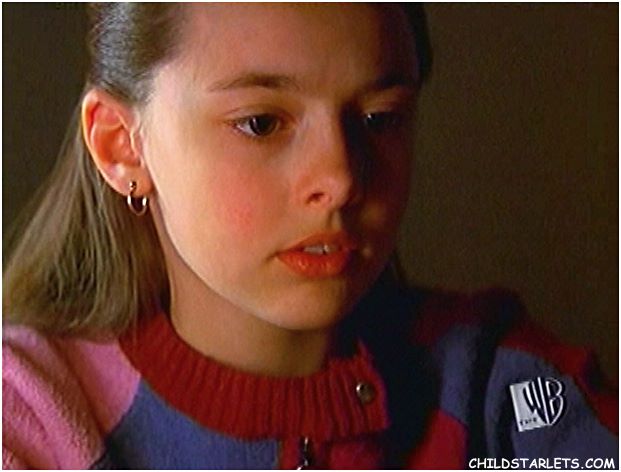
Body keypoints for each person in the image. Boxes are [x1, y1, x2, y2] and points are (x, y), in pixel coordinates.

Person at [2, 3, 617, 469]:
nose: (341, 179)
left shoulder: (503, 391)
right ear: (121, 147)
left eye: (379, 119)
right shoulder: (31, 413)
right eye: (261, 123)